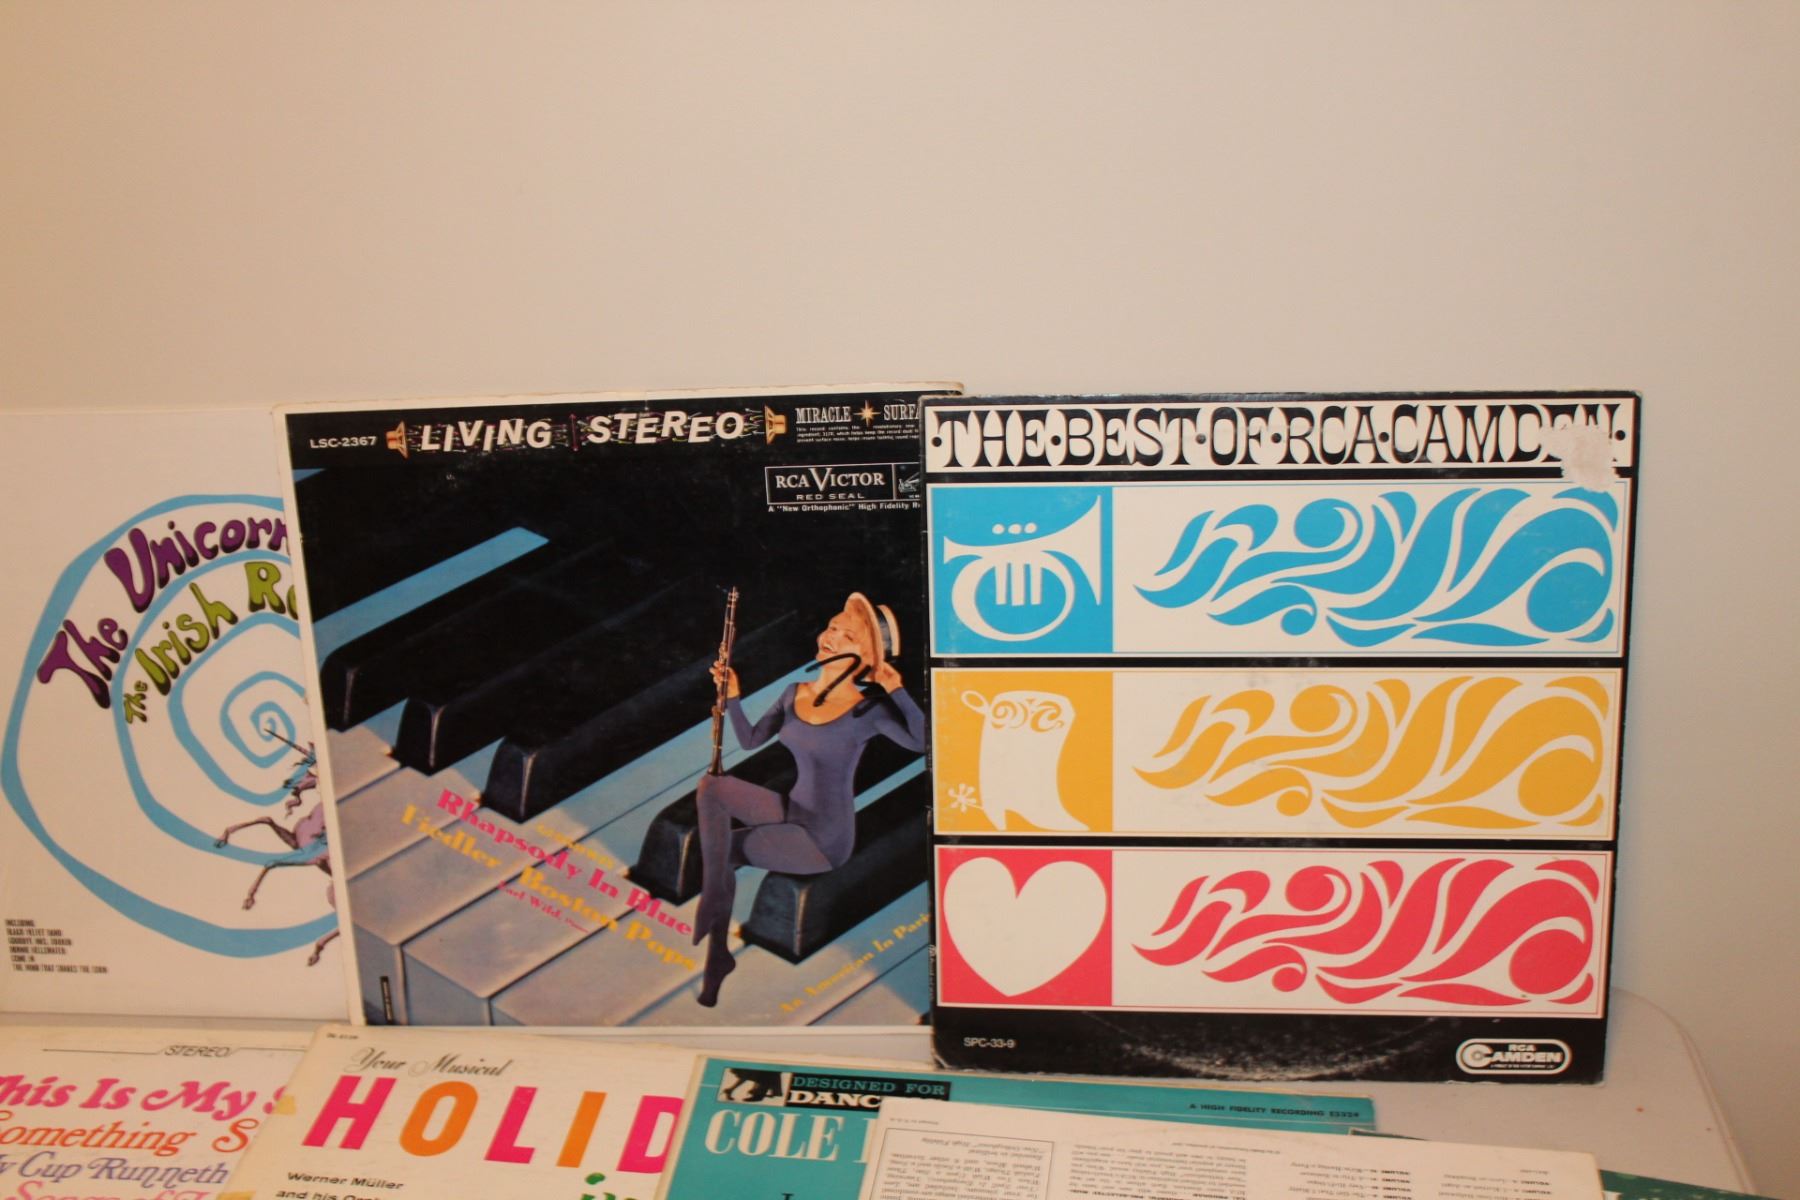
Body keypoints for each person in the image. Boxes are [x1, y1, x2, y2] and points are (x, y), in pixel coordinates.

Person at [693, 592, 925, 1006]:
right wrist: (732, 696)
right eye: (832, 626)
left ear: (868, 657)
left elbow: (923, 743)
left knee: (724, 852)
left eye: (847, 635)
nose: (831, 636)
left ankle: (715, 951)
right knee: (713, 787)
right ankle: (717, 940)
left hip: (823, 839)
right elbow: (750, 741)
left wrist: (897, 689)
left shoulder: (867, 711)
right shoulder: (794, 691)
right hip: (793, 811)